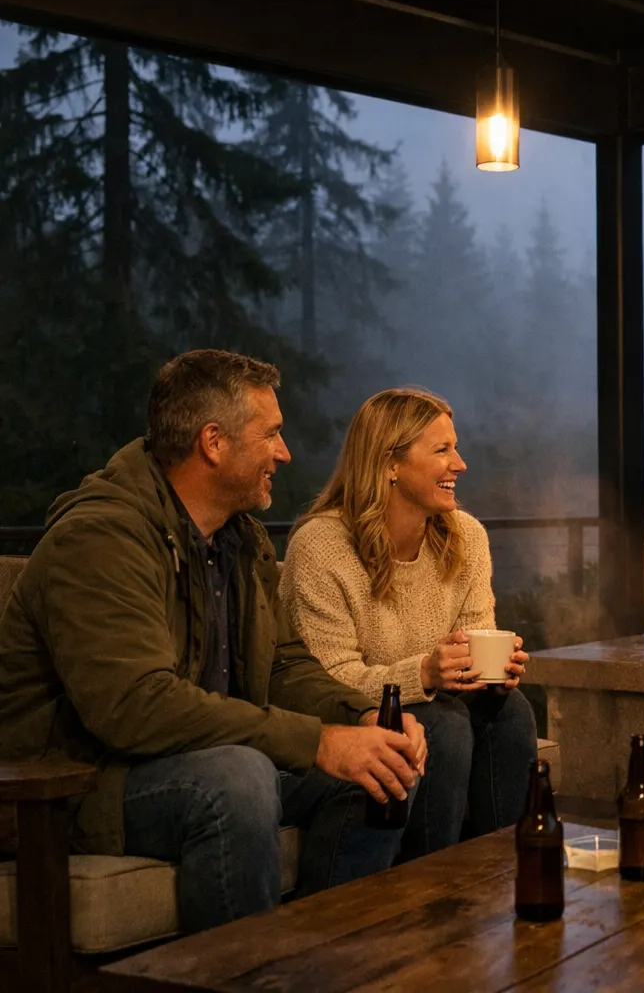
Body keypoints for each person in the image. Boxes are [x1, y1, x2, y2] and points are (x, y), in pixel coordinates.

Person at [0, 350, 427, 933]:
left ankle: (327, 956)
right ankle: (248, 972)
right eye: (271, 434)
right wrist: (318, 740)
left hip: (196, 758)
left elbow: (283, 667)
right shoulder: (100, 539)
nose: (284, 452)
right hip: (75, 782)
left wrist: (364, 718)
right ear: (213, 442)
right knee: (237, 778)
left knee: (383, 766)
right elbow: (136, 707)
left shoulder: (239, 540)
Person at [280, 387, 537, 861]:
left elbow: (475, 638)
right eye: (442, 450)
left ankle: (508, 873)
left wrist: (493, 675)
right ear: (389, 464)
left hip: (437, 706)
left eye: (456, 448)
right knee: (444, 724)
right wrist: (422, 674)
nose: (459, 464)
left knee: (511, 709)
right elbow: (322, 680)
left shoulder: (466, 537)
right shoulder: (322, 547)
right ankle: (430, 887)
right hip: (345, 722)